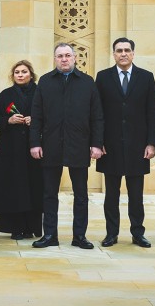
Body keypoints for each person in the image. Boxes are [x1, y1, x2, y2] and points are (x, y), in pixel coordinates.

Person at [29, 43, 104, 249]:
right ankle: (50, 235)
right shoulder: (45, 82)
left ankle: (79, 236)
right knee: (49, 194)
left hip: (79, 145)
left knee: (81, 194)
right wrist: (35, 143)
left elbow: (97, 117)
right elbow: (36, 117)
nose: (64, 59)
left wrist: (96, 144)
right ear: (55, 59)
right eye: (60, 56)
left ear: (74, 58)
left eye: (68, 55)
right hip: (50, 145)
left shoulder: (88, 83)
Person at [94, 38, 155, 248]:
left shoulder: (146, 77)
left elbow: (152, 113)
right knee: (111, 195)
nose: (123, 54)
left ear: (133, 53)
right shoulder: (103, 77)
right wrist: (98, 141)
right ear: (113, 54)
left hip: (137, 147)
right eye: (119, 50)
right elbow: (97, 113)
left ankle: (138, 234)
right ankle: (111, 234)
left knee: (136, 196)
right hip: (110, 146)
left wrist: (152, 143)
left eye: (127, 50)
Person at [0, 60, 43, 240]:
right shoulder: (6, 94)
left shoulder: (40, 93)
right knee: (14, 187)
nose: (20, 74)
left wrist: (34, 120)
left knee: (33, 186)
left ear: (31, 74)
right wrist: (9, 120)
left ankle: (31, 227)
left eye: (24, 71)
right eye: (17, 72)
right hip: (11, 149)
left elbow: (49, 115)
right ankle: (15, 228)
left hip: (33, 148)